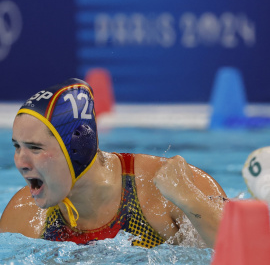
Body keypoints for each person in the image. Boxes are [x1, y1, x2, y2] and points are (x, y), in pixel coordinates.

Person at [0, 78, 227, 248]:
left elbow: (241, 251)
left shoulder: (167, 192)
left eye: (35, 148)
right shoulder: (23, 217)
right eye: (16, 147)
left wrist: (188, 198)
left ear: (78, 147)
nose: (20, 162)